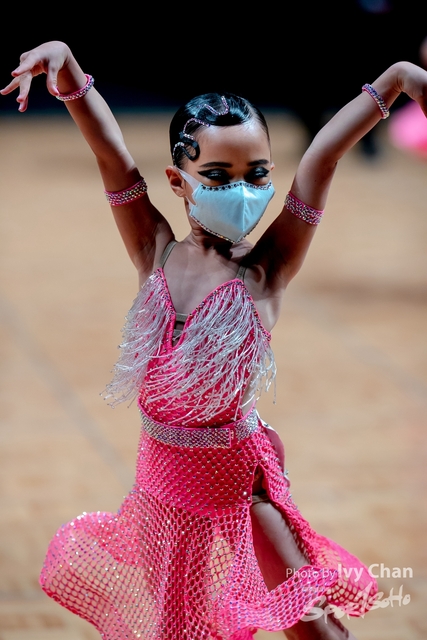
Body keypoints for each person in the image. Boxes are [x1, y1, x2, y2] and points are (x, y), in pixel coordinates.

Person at [2, 41, 427, 640]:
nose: (243, 190)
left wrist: (397, 79)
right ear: (178, 181)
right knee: (180, 628)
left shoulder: (266, 269)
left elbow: (323, 158)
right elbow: (112, 154)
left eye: (257, 175)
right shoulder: (153, 249)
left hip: (239, 485)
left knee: (312, 627)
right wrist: (66, 67)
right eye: (219, 176)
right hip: (163, 491)